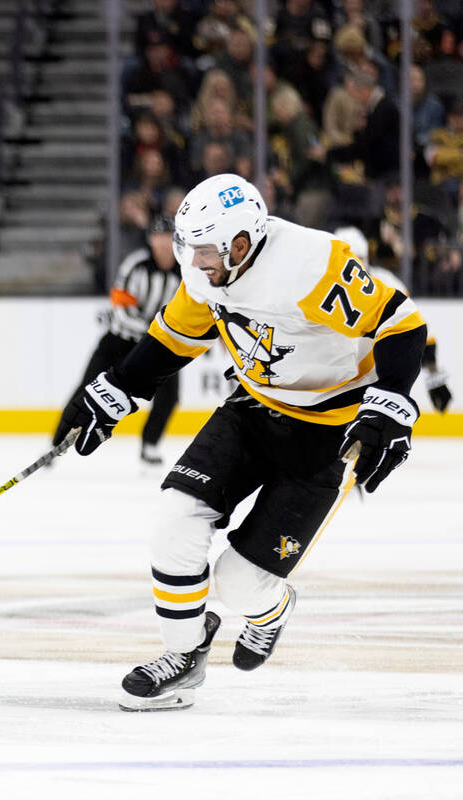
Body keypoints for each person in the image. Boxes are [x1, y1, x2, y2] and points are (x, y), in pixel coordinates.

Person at [58, 174, 427, 711]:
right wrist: (119, 386)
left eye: (205, 249)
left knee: (237, 585)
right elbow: (176, 335)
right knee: (174, 515)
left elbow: (401, 322)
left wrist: (393, 403)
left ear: (241, 242)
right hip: (251, 410)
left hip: (328, 435)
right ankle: (183, 656)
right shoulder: (205, 269)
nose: (195, 261)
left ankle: (270, 607)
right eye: (190, 248)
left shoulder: (310, 265)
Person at [53, 214, 181, 465]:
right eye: (159, 236)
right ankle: (58, 441)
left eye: (168, 237)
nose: (164, 243)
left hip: (158, 346)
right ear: (151, 240)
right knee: (88, 387)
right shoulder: (136, 265)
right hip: (120, 341)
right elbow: (120, 309)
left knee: (170, 395)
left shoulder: (185, 270)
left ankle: (150, 445)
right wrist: (152, 333)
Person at [333, 226, 451, 414]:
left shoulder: (387, 283)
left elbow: (413, 328)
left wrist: (435, 378)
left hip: (373, 381)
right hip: (336, 383)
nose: (356, 267)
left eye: (360, 258)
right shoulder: (319, 288)